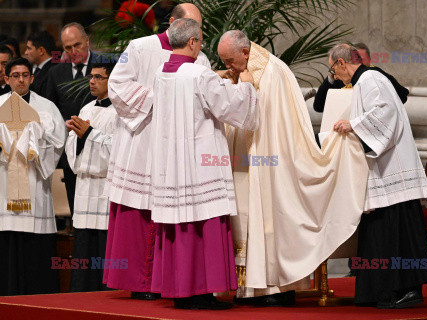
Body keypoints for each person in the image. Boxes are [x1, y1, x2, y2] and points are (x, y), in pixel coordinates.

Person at [217, 31, 369, 307]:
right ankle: (249, 288)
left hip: (269, 162)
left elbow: (274, 127)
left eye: (229, 61)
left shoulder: (273, 72)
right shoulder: (244, 70)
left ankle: (274, 286)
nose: (228, 66)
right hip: (245, 161)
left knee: (268, 215)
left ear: (245, 52)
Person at [148, 18, 258, 310]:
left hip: (171, 165)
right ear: (194, 42)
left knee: (180, 227)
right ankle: (203, 293)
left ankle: (182, 291)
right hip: (200, 164)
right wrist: (245, 86)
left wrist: (215, 78)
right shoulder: (199, 74)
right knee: (204, 224)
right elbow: (229, 107)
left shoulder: (160, 72)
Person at [103, 3, 211, 300]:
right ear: (173, 21)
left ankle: (171, 281)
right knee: (139, 210)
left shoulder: (200, 57)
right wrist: (161, 98)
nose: (196, 34)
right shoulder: (139, 47)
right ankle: (140, 283)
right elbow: (117, 85)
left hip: (178, 146)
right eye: (191, 24)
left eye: (200, 28)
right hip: (143, 140)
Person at [330, 43, 427, 308]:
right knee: (388, 233)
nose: (333, 77)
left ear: (343, 63)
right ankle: (386, 291)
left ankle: (407, 290)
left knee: (396, 234)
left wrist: (353, 124)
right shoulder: (366, 80)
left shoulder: (370, 79)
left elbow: (385, 113)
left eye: (333, 69)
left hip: (393, 171)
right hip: (387, 170)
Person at [0, 58, 66, 295]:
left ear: (32, 78)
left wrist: (37, 138)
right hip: (5, 186)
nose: (20, 79)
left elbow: (59, 143)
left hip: (35, 183)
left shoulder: (47, 108)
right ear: (6, 79)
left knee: (35, 247)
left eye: (25, 75)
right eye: (15, 75)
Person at [65, 61, 117, 292]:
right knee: (84, 248)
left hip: (106, 190)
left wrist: (89, 134)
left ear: (112, 80)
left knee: (104, 249)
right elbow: (70, 150)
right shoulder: (85, 109)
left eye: (98, 77)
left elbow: (119, 152)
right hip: (85, 189)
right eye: (91, 77)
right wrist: (77, 138)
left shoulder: (120, 112)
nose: (92, 82)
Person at [45, 22, 97, 219]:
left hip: (100, 146)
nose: (73, 51)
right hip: (71, 150)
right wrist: (62, 124)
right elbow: (49, 111)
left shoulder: (106, 66)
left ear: (87, 41)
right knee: (76, 210)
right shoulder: (55, 73)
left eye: (77, 45)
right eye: (68, 48)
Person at [313, 42, 409, 113]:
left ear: (369, 59)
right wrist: (332, 74)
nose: (358, 63)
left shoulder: (374, 75)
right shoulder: (341, 78)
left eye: (360, 59)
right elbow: (318, 107)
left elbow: (400, 96)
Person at [25, 31, 56, 97]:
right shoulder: (37, 69)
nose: (26, 52)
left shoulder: (53, 71)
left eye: (29, 48)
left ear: (41, 51)